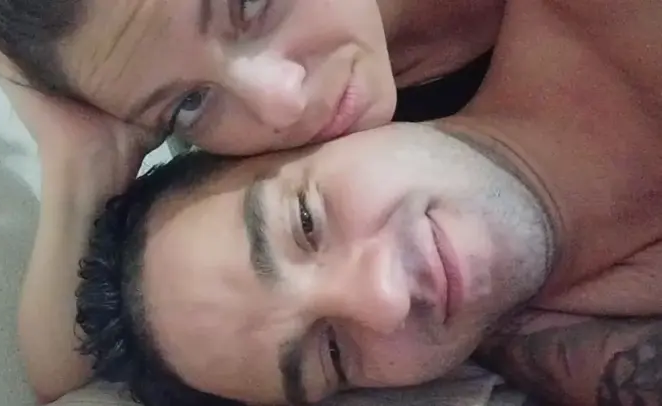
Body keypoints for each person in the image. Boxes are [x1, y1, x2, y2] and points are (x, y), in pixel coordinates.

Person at [75, 1, 662, 406]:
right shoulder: (577, 342)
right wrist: (78, 174)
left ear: (321, 133)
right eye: (332, 352)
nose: (384, 300)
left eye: (306, 223)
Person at [0, 0, 505, 402]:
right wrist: (83, 163)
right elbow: (67, 373)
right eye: (189, 103)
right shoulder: (290, 175)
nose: (282, 103)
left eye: (250, 4)